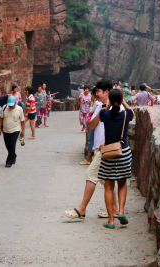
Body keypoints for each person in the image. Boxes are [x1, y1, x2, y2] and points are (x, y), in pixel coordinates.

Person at [63, 80, 112, 221]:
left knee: (91, 175)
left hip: (106, 148)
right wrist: (101, 113)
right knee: (107, 180)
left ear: (106, 92)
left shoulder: (117, 107)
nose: (96, 94)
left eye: (98, 92)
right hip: (98, 147)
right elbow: (90, 125)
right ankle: (114, 210)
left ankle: (81, 209)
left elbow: (120, 126)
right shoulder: (99, 106)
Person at [97, 88, 134, 228]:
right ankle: (121, 211)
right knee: (122, 183)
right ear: (121, 99)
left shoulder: (105, 114)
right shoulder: (126, 115)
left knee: (108, 186)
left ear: (111, 100)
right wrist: (123, 101)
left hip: (108, 154)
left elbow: (103, 112)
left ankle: (111, 221)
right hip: (123, 152)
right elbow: (132, 112)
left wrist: (109, 104)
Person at [0, 96, 26, 168]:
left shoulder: (19, 109)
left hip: (15, 130)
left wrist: (23, 131)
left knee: (12, 145)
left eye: (12, 105)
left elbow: (22, 121)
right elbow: (1, 118)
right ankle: (13, 155)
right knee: (8, 146)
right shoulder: (4, 107)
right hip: (5, 130)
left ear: (15, 103)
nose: (11, 106)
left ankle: (8, 161)